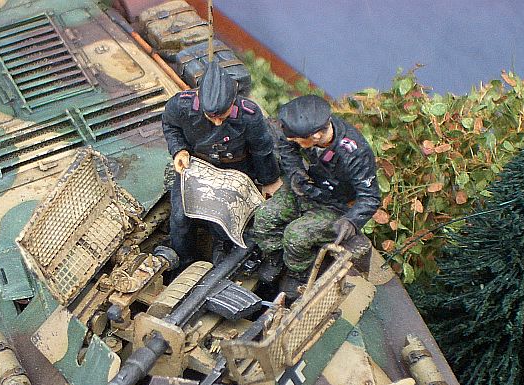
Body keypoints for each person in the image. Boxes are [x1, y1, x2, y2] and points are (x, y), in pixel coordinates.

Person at [254, 94, 380, 296]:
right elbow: (285, 145)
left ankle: (299, 272)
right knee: (265, 216)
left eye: (297, 139)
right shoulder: (301, 131)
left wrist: (352, 221)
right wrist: (296, 172)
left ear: (316, 136)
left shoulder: (354, 154)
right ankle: (276, 258)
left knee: (296, 235)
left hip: (335, 205)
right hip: (306, 188)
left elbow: (370, 197)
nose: (292, 139)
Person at [162, 60, 281, 265]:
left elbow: (261, 149)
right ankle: (183, 260)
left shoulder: (249, 115)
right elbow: (170, 126)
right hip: (197, 165)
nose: (217, 122)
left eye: (222, 115)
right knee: (180, 218)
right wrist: (179, 150)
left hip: (235, 169)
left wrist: (269, 180)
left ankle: (222, 248)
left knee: (225, 221)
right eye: (211, 116)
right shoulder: (180, 106)